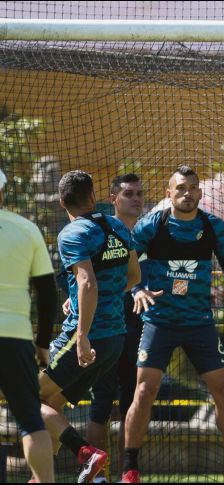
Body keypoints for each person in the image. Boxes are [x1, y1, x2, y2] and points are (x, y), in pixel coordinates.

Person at [122, 165, 224, 484]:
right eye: (180, 188)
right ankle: (130, 469)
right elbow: (128, 261)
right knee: (145, 390)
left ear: (200, 193)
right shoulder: (152, 225)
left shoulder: (213, 226)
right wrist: (137, 288)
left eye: (192, 188)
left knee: (223, 390)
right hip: (159, 323)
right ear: (169, 194)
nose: (186, 193)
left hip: (199, 323)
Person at [38, 170, 140, 483]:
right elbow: (134, 277)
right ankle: (42, 477)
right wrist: (95, 299)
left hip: (87, 337)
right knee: (52, 405)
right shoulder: (117, 226)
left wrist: (81, 335)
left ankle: (87, 453)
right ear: (94, 197)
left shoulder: (72, 233)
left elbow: (86, 281)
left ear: (60, 202)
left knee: (26, 398)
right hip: (115, 338)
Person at [80, 174, 145, 482]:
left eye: (139, 194)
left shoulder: (147, 234)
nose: (136, 198)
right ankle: (97, 477)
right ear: (114, 198)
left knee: (133, 403)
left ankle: (126, 475)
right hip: (104, 328)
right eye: (129, 193)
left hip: (139, 329)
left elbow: (141, 277)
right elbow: (83, 277)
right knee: (101, 404)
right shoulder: (99, 232)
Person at [0, 167, 56, 483]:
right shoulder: (27, 228)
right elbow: (47, 293)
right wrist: (43, 343)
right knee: (30, 420)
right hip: (16, 339)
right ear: (2, 192)